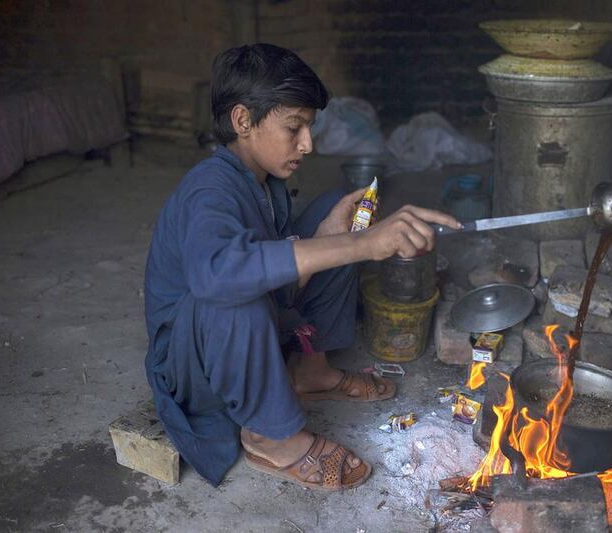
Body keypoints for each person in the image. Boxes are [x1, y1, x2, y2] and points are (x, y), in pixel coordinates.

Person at [144, 43, 461, 491]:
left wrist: (340, 239)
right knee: (238, 285)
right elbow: (218, 276)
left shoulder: (264, 181)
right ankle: (269, 435)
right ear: (242, 121)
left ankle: (311, 371)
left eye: (309, 128)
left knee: (337, 212)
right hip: (193, 363)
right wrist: (362, 245)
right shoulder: (209, 189)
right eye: (294, 128)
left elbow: (284, 262)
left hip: (243, 327)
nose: (307, 144)